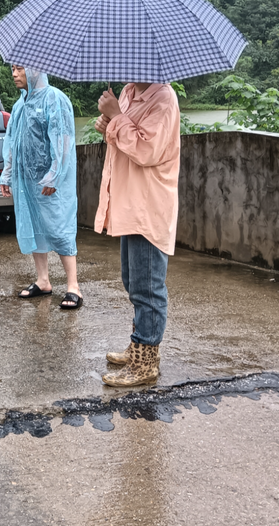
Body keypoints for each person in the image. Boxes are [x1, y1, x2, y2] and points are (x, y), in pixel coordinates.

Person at [94, 82, 181, 387]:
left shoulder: (164, 99)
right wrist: (108, 125)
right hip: (129, 201)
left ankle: (146, 362)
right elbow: (125, 137)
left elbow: (147, 150)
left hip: (148, 204)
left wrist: (116, 116)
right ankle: (138, 347)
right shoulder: (129, 92)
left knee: (148, 287)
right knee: (133, 280)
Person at [0, 66, 83, 309]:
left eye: (19, 68)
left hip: (51, 181)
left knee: (59, 226)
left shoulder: (54, 99)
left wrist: (54, 176)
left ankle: (73, 286)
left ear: (35, 70)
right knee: (34, 225)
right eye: (12, 69)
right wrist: (7, 174)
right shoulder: (19, 106)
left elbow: (62, 139)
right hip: (26, 180)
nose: (14, 74)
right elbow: (11, 142)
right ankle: (43, 280)